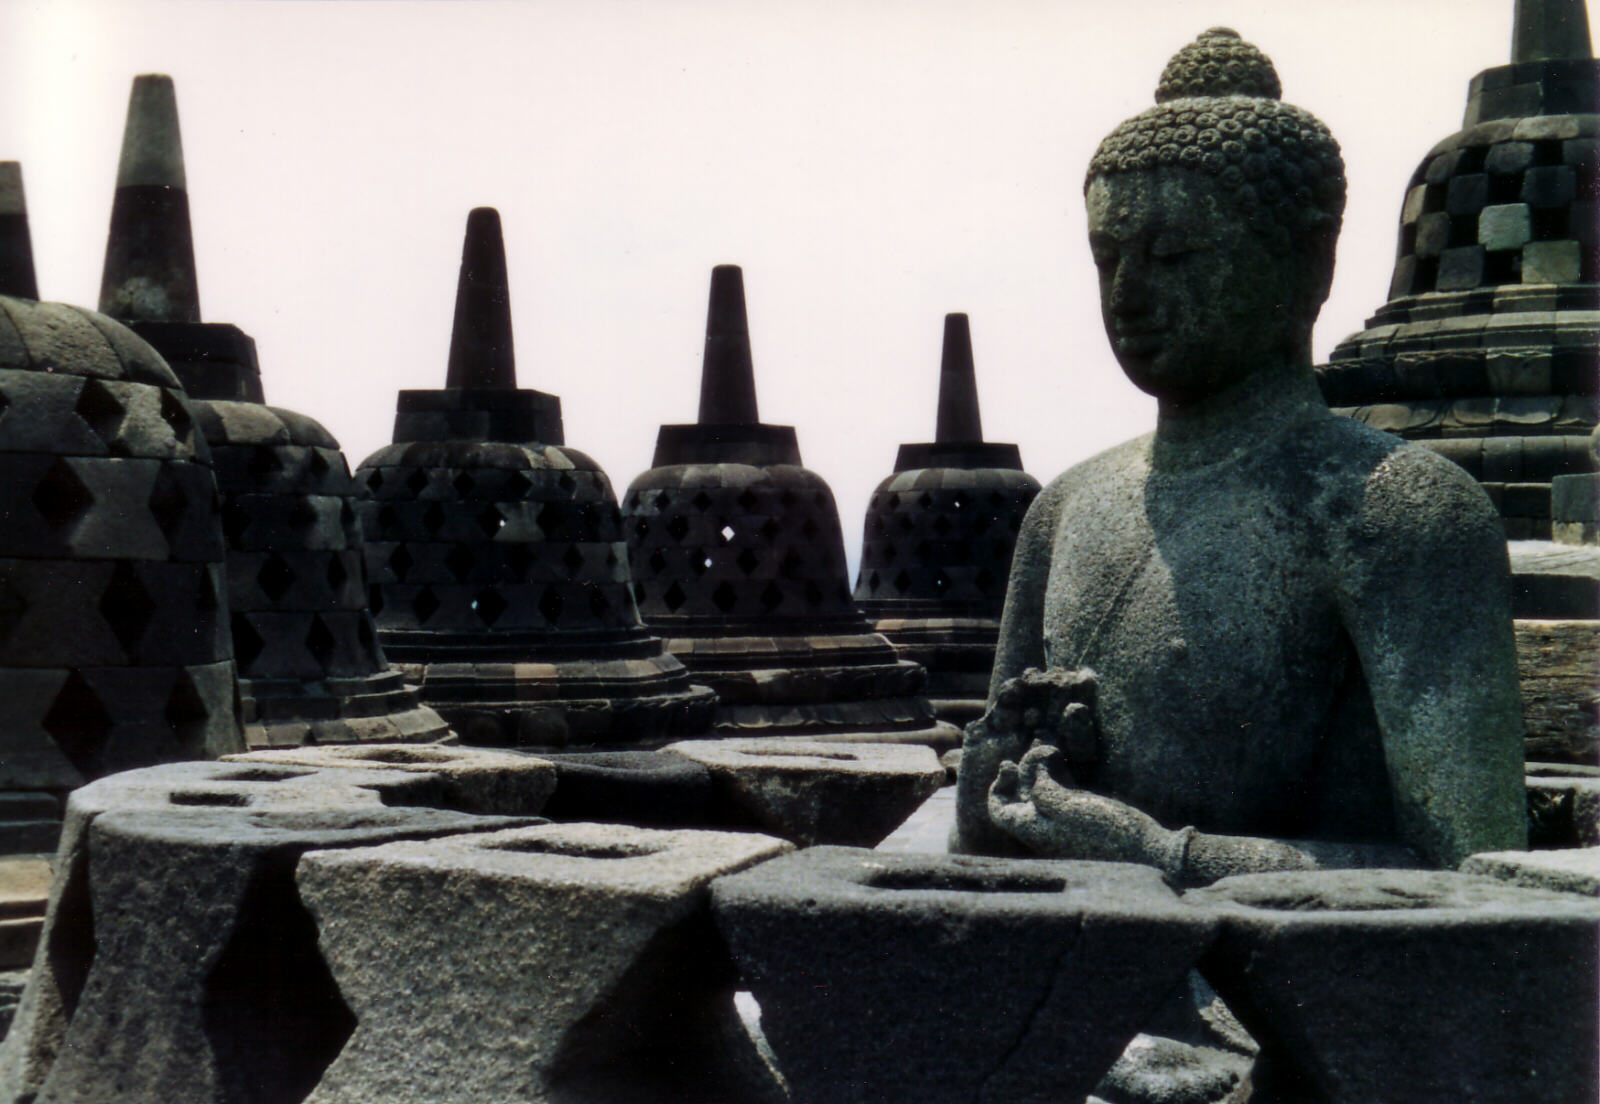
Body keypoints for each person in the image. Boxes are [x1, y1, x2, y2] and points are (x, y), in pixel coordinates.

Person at [951, 28, 1528, 883]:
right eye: (1107, 257)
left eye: (1176, 255)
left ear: (1309, 260)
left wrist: (1156, 854)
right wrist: (989, 787)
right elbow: (989, 844)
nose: (1129, 294)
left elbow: (1478, 882)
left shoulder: (1395, 512)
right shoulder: (1065, 509)